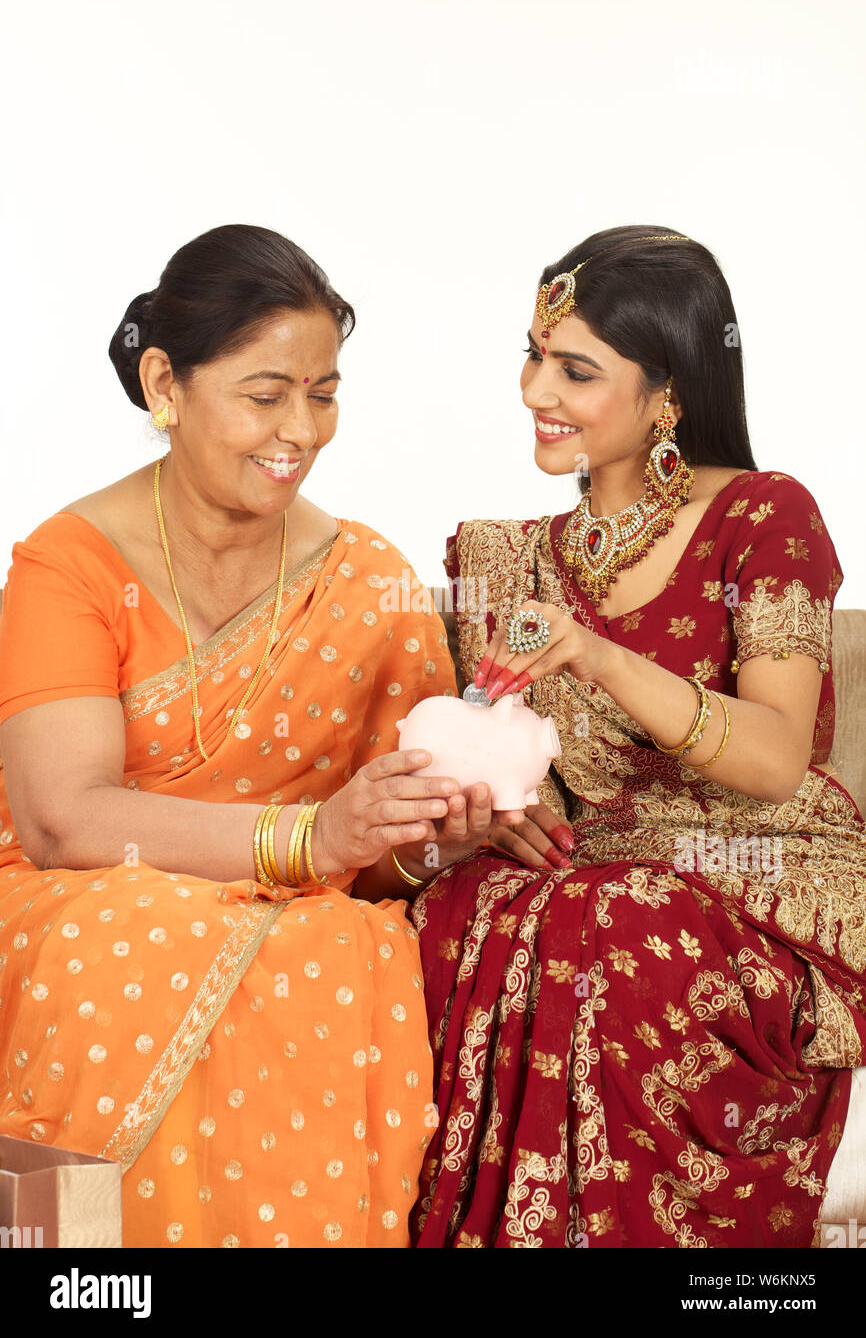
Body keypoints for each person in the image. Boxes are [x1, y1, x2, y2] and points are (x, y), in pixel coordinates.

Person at [0, 223, 502, 1248]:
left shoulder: (365, 578)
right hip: (76, 898)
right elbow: (59, 820)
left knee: (332, 948)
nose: (300, 430)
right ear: (164, 384)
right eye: (266, 394)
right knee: (125, 937)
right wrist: (310, 838)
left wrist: (432, 835)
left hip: (298, 912)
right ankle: (84, 1264)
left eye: (322, 393)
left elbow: (380, 863)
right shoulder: (70, 563)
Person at [410, 224, 866, 1249]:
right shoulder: (508, 557)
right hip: (580, 873)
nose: (536, 391)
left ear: (667, 391)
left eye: (574, 370)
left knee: (610, 922)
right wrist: (492, 821)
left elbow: (775, 754)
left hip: (751, 876)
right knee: (459, 906)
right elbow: (492, 748)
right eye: (532, 357)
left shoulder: (762, 517)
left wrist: (601, 656)